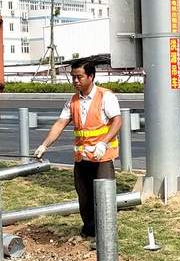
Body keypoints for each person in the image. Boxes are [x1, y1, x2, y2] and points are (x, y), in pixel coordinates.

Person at [33, 59, 122, 244]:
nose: (75, 81)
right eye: (72, 77)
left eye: (79, 77)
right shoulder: (73, 101)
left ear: (91, 76)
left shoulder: (106, 97)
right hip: (82, 157)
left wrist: (103, 143)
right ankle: (90, 231)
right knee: (84, 195)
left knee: (103, 195)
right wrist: (44, 145)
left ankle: (107, 234)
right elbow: (60, 124)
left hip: (102, 156)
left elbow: (117, 122)